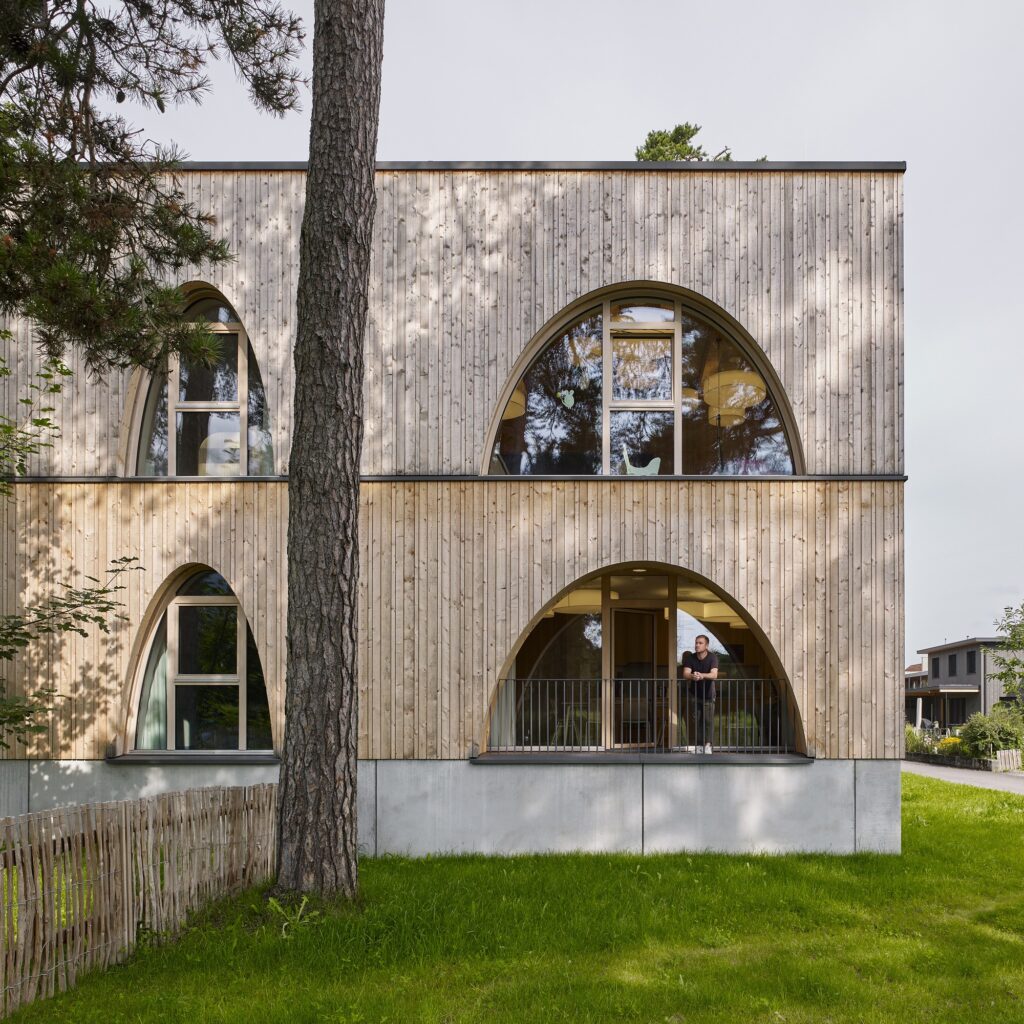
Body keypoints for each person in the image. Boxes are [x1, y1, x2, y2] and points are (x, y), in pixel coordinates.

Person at [683, 634, 719, 754]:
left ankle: (708, 745)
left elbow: (714, 675)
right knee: (696, 721)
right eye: (696, 642)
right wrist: (692, 676)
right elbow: (685, 673)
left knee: (708, 721)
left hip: (708, 695)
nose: (697, 645)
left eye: (700, 643)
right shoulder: (691, 658)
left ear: (706, 645)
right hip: (694, 695)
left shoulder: (712, 657)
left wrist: (702, 675)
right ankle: (699, 746)